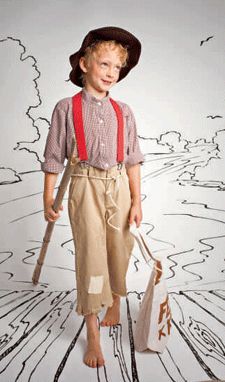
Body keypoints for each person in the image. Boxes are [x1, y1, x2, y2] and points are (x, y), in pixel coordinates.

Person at [41, 26, 144, 368]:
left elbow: (132, 158)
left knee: (120, 247)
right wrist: (48, 198)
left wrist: (137, 201)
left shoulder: (124, 111)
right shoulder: (65, 108)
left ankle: (115, 299)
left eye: (117, 68)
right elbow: (53, 155)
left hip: (118, 187)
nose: (112, 73)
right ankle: (93, 331)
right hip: (84, 186)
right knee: (91, 254)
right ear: (85, 64)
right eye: (105, 65)